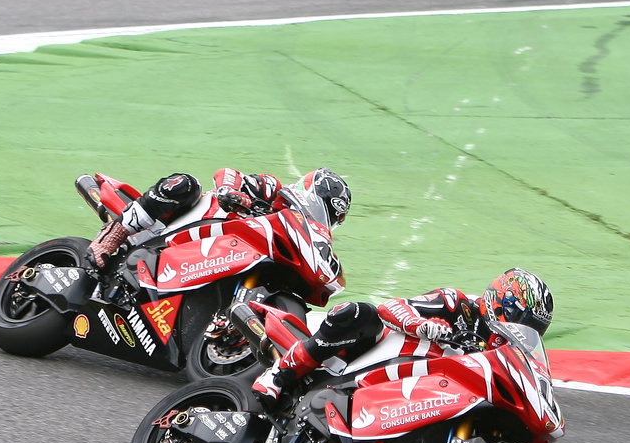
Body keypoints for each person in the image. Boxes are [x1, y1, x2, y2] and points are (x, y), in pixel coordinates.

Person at [251, 268, 555, 401]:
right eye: (522, 321)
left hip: (418, 390)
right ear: (503, 303)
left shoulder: (496, 353)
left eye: (533, 329)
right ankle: (280, 374)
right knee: (360, 313)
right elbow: (392, 307)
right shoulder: (457, 304)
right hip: (373, 358)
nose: (522, 331)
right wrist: (419, 325)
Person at [88, 167, 351, 267]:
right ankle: (112, 235)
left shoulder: (301, 235)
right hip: (185, 223)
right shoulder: (272, 189)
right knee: (186, 184)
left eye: (329, 218)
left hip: (216, 257)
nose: (320, 218)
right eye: (321, 208)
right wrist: (230, 191)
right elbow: (228, 172)